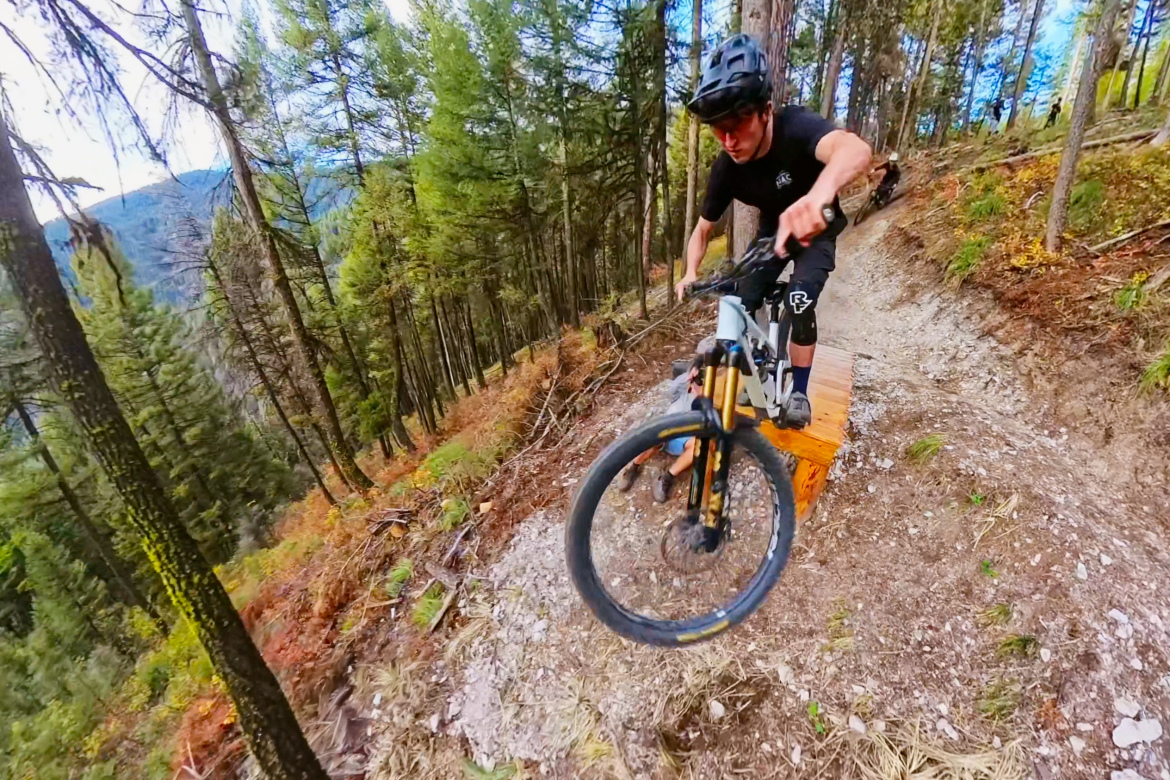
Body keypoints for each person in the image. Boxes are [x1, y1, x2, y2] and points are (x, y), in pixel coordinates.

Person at [674, 34, 872, 428]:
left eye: (738, 123)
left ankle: (798, 390)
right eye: (718, 129)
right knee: (739, 301)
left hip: (817, 232)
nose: (729, 140)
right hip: (774, 234)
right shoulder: (726, 169)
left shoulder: (796, 127)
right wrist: (691, 273)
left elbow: (855, 151)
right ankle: (756, 365)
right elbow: (701, 231)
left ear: (766, 111)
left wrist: (818, 197)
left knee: (800, 302)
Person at [617, 358, 703, 502]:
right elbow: (670, 393)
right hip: (667, 428)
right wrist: (689, 378)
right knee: (656, 434)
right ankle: (633, 468)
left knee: (698, 446)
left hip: (685, 439)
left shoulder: (712, 398)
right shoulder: (684, 386)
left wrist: (703, 399)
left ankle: (667, 478)